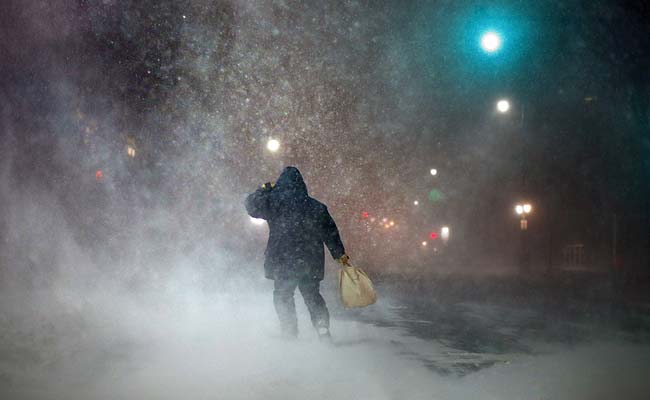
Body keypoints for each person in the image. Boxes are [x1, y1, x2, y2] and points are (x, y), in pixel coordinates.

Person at [245, 166, 349, 340]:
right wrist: (339, 254)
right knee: (312, 296)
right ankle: (322, 329)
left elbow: (250, 205)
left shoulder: (273, 202)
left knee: (283, 295)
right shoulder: (317, 207)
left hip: (282, 260)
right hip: (310, 259)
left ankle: (289, 331)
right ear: (302, 184)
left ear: (281, 184)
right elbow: (330, 233)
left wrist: (264, 189)